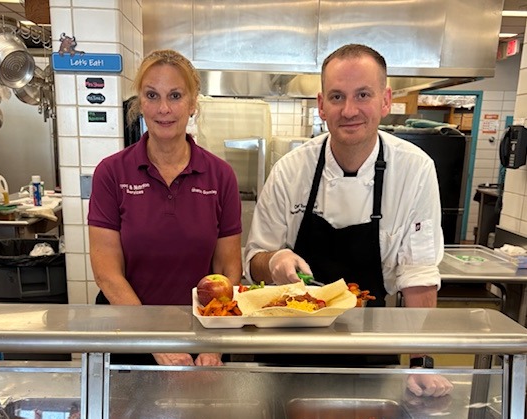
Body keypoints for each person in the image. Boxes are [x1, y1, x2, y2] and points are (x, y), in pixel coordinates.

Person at [244, 43, 452, 398]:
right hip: (288, 344)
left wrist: (419, 363)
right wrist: (275, 261)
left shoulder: (415, 169)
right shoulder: (290, 170)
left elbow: (418, 277)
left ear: (385, 101)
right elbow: (253, 264)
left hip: (371, 344)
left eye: (363, 95)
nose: (349, 110)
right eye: (337, 97)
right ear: (321, 105)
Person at [88, 49, 242, 367]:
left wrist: (214, 345)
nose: (164, 109)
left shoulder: (220, 175)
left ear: (192, 102)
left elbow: (229, 269)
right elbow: (107, 275)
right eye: (152, 95)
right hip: (129, 332)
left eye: (175, 95)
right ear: (140, 102)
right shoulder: (111, 172)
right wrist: (155, 340)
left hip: (199, 332)